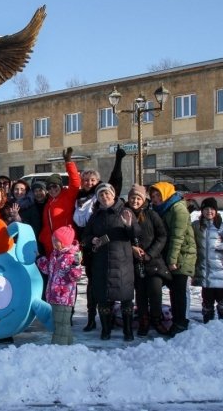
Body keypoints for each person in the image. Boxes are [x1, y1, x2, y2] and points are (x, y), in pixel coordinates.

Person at [73, 146, 125, 332]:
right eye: (85, 180)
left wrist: (118, 161)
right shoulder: (78, 197)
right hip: (88, 246)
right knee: (92, 284)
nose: (88, 182)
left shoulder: (101, 195)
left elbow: (115, 183)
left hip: (105, 246)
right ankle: (91, 318)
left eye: (92, 180)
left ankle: (108, 318)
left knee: (107, 283)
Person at [83, 183, 139, 341]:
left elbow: (136, 234)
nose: (104, 197)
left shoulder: (126, 211)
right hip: (101, 262)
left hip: (122, 262)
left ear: (113, 195)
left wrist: (129, 226)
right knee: (103, 298)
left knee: (126, 298)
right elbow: (85, 236)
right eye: (101, 195)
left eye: (107, 194)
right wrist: (91, 239)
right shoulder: (96, 215)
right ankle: (105, 330)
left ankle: (128, 331)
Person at [149, 181, 196, 336]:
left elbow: (178, 237)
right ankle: (178, 321)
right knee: (174, 290)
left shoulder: (178, 209)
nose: (155, 199)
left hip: (182, 255)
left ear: (166, 194)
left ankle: (180, 323)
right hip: (171, 255)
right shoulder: (162, 209)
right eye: (153, 196)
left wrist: (172, 260)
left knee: (179, 290)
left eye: (158, 195)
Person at [125, 184, 170, 336]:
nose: (135, 201)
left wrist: (150, 253)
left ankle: (156, 319)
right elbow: (120, 236)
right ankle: (143, 319)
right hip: (134, 261)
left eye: (138, 198)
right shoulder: (124, 214)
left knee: (155, 291)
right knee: (141, 293)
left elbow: (162, 235)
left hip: (153, 260)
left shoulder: (151, 215)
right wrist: (131, 248)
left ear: (143, 200)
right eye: (132, 198)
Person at [36, 225, 83, 345]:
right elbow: (47, 270)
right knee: (62, 323)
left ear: (63, 242)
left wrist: (76, 266)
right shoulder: (55, 255)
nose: (53, 242)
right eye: (53, 239)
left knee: (60, 324)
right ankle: (68, 345)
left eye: (55, 240)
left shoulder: (71, 257)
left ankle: (58, 347)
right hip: (53, 296)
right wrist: (39, 258)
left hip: (64, 297)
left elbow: (75, 277)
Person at [191, 197, 223, 323]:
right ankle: (208, 318)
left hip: (220, 269)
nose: (209, 211)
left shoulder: (222, 226)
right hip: (205, 270)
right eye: (206, 209)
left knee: (222, 298)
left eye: (212, 209)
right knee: (207, 297)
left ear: (216, 211)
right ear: (202, 211)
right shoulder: (197, 226)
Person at [38, 147, 82, 257]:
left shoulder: (68, 195)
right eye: (49, 188)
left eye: (55, 186)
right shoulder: (48, 201)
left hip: (66, 245)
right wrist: (44, 239)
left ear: (60, 186)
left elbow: (75, 182)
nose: (52, 190)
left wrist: (69, 162)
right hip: (51, 246)